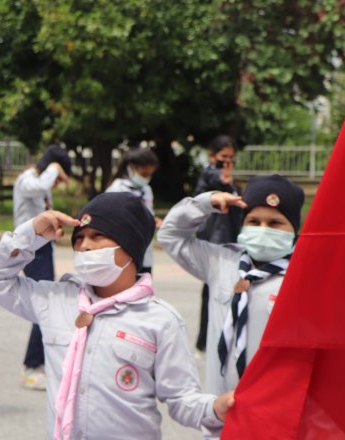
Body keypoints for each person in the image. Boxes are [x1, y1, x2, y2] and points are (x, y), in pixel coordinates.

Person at [0, 192, 234, 439]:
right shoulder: (56, 299)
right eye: (79, 239)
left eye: (98, 236)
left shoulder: (160, 319)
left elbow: (181, 398)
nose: (85, 246)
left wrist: (214, 408)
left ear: (131, 246)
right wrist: (31, 233)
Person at [158, 175, 304, 402]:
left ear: (294, 228)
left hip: (275, 409)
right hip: (220, 408)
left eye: (275, 223)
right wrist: (205, 203)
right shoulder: (221, 260)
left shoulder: (304, 275)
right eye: (254, 222)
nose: (263, 229)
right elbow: (170, 235)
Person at [12, 144, 72, 390]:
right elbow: (38, 187)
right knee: (44, 305)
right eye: (58, 177)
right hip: (31, 249)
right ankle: (32, 366)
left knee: (47, 304)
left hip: (42, 248)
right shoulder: (27, 180)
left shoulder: (38, 182)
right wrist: (54, 170)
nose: (56, 182)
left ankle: (40, 364)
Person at [192, 135, 243, 353]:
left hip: (231, 239)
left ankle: (218, 336)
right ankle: (205, 339)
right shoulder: (210, 176)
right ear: (213, 156)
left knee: (227, 290)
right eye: (223, 157)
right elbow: (208, 190)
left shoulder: (229, 180)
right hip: (214, 241)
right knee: (212, 290)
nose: (227, 161)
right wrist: (224, 180)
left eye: (231, 157)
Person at [105, 148, 164, 273]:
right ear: (131, 168)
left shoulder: (146, 189)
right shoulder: (117, 189)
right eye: (144, 174)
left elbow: (148, 213)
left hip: (145, 251)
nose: (147, 178)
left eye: (149, 175)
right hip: (124, 250)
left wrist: (153, 221)